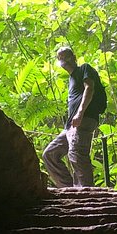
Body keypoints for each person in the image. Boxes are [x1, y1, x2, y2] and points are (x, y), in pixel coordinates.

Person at [42, 46, 103, 188]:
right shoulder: (71, 79)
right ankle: (69, 189)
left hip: (84, 119)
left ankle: (86, 194)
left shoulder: (84, 69)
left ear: (74, 57)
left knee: (77, 153)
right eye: (60, 58)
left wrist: (80, 113)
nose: (64, 61)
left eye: (66, 57)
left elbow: (90, 88)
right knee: (50, 154)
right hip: (71, 125)